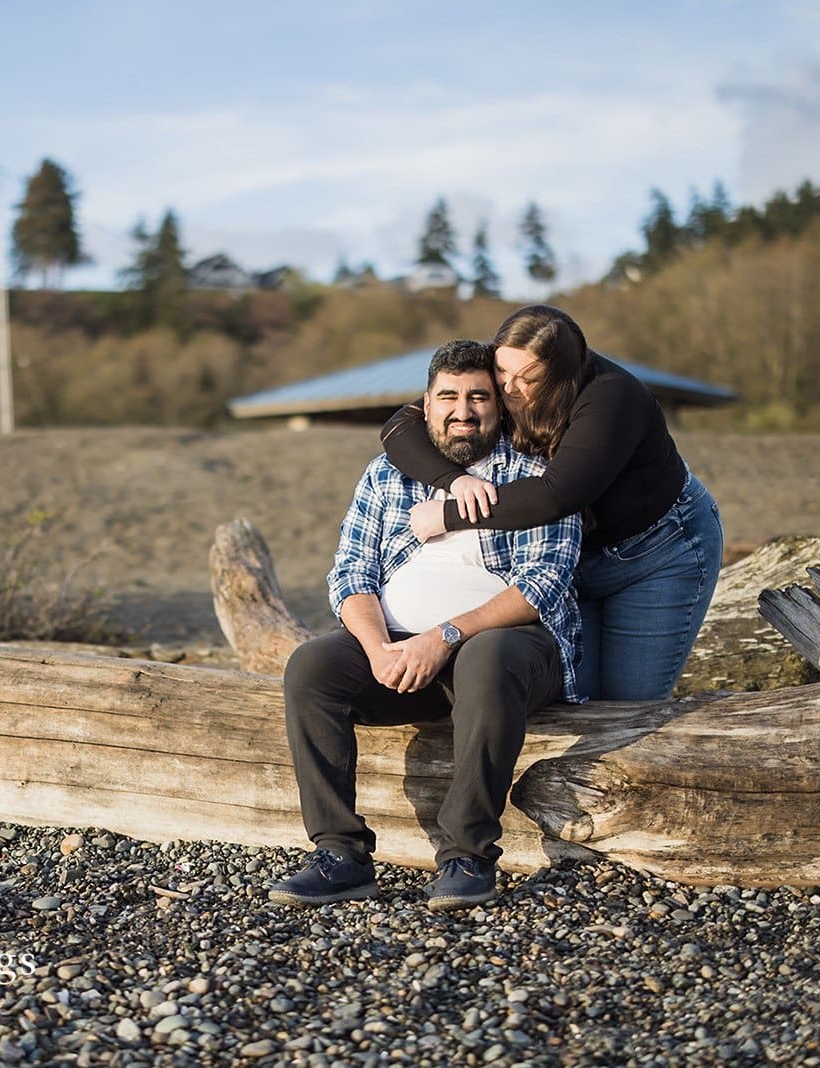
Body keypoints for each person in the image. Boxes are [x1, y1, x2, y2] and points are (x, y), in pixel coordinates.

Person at [269, 339, 583, 912]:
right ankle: (340, 854)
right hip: (402, 652)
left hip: (509, 654)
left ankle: (467, 855)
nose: (463, 409)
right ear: (426, 404)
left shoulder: (536, 475)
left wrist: (444, 637)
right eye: (449, 397)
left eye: (478, 397)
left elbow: (544, 585)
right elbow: (350, 575)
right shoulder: (388, 476)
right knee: (312, 666)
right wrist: (379, 649)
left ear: (500, 405)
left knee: (490, 658)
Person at [381, 305, 722, 702]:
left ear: (561, 376)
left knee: (628, 704)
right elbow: (398, 427)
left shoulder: (611, 397)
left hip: (657, 551)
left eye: (528, 379)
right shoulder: (502, 372)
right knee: (578, 698)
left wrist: (449, 514)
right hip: (573, 559)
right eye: (502, 371)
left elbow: (556, 495)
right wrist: (454, 482)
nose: (508, 387)